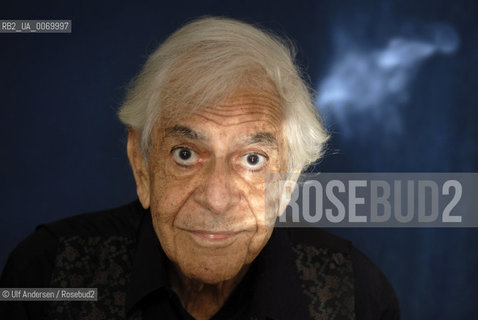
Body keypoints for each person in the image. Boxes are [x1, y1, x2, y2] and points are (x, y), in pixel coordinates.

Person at [0, 16, 400, 319]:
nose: (217, 198)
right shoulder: (49, 273)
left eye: (252, 159)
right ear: (141, 164)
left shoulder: (355, 295)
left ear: (290, 180)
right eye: (185, 154)